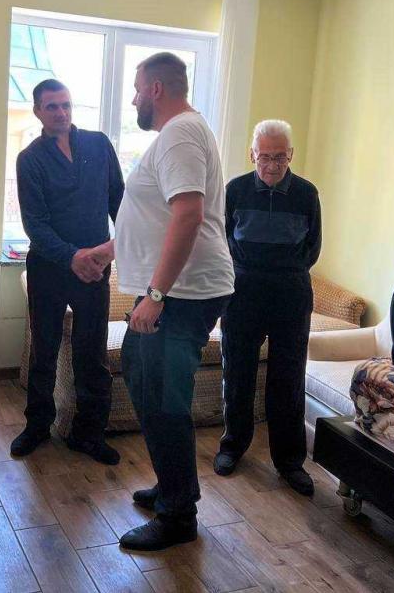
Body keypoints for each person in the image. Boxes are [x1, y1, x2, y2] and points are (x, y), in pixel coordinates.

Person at [89, 52, 234, 551]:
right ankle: (173, 485)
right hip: (176, 290)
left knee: (163, 401)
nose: (132, 99)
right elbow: (153, 217)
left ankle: (178, 515)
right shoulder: (179, 134)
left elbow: (188, 214)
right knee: (144, 379)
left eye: (136, 90)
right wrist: (108, 250)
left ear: (155, 88)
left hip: (181, 293)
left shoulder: (179, 134)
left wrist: (155, 294)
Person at [10, 79, 125, 465]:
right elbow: (35, 224)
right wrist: (73, 256)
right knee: (43, 350)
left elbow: (120, 202)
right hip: (49, 268)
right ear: (38, 112)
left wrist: (115, 248)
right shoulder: (29, 159)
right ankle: (37, 427)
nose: (61, 112)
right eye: (52, 106)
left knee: (92, 352)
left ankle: (89, 433)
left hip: (95, 268)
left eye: (66, 104)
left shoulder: (98, 144)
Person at [215, 119, 321, 495]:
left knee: (288, 379)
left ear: (290, 155)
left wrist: (282, 272)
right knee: (237, 374)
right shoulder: (235, 190)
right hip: (242, 292)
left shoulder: (306, 193)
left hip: (291, 293)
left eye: (279, 157)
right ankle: (232, 447)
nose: (272, 165)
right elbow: (222, 239)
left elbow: (313, 247)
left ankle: (290, 461)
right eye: (264, 157)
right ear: (252, 154)